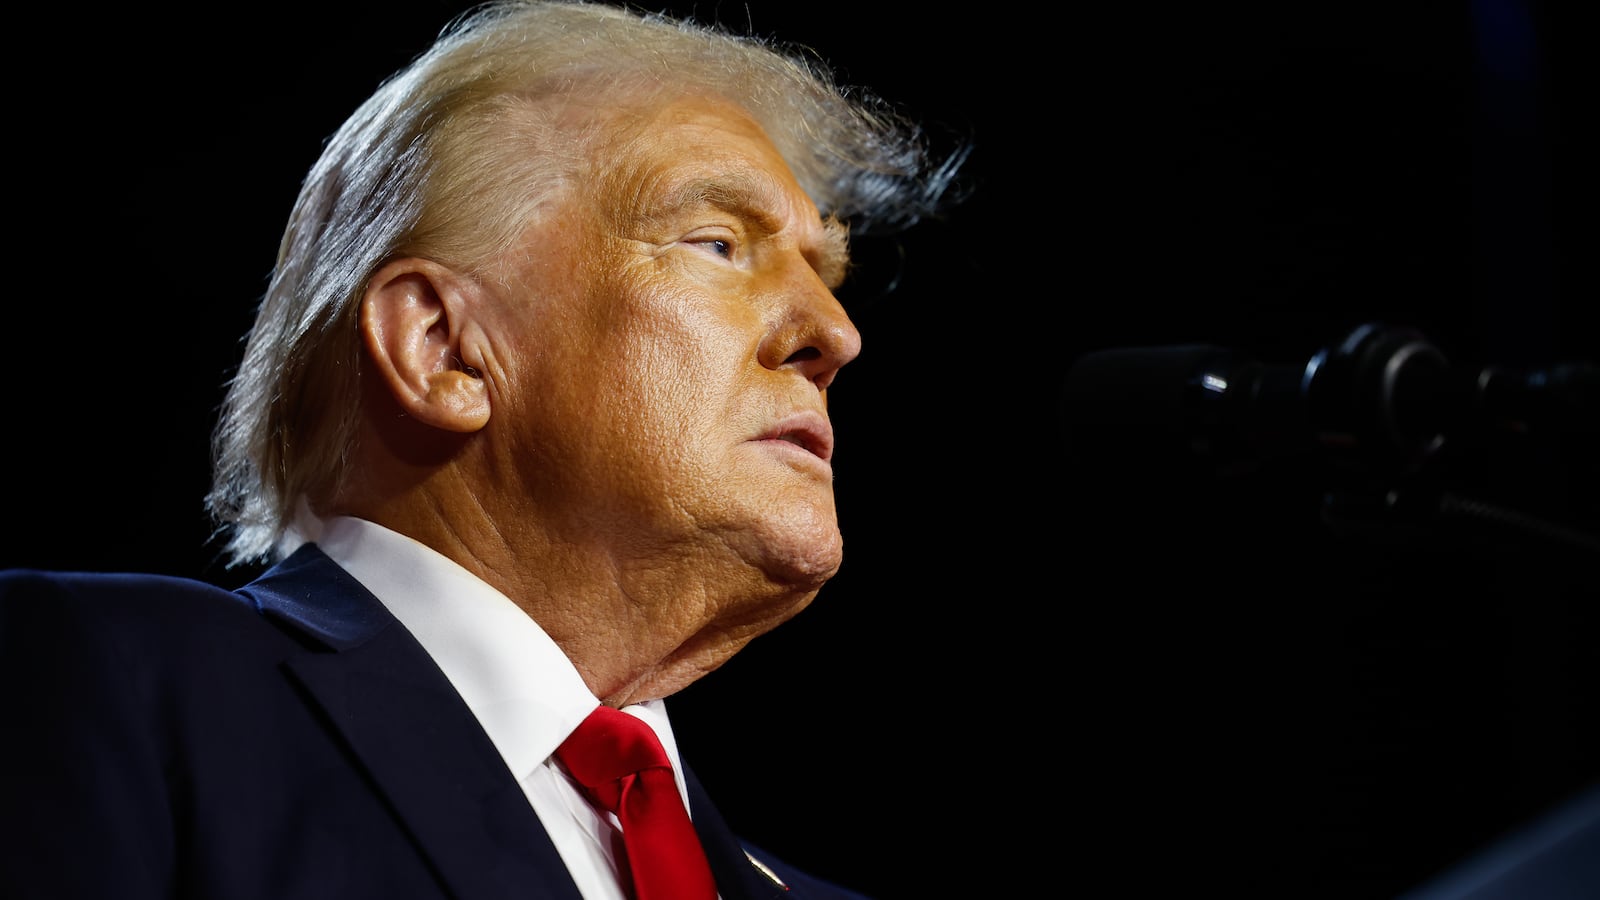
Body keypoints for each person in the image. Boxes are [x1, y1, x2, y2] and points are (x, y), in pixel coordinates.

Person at [0, 1, 966, 897]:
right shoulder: (106, 682)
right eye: (717, 243)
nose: (834, 333)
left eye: (826, 273)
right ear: (444, 350)